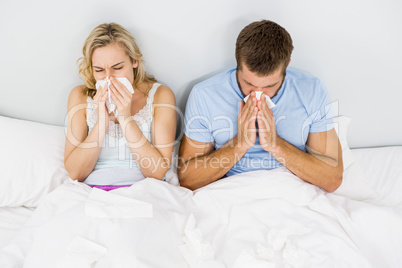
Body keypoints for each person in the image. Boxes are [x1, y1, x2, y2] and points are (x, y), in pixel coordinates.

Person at [178, 20, 343, 192]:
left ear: (287, 65)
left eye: (270, 86)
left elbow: (332, 178)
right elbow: (188, 179)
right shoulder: (205, 95)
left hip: (293, 191)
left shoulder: (312, 91)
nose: (258, 93)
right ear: (237, 60)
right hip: (231, 192)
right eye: (248, 83)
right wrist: (239, 144)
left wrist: (275, 145)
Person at [64, 22, 176, 190]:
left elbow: (157, 173)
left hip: (144, 190)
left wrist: (125, 118)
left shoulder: (161, 95)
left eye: (117, 68)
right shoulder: (79, 96)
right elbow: (75, 173)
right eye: (99, 70)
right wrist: (102, 122)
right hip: (92, 191)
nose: (109, 78)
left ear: (134, 61)